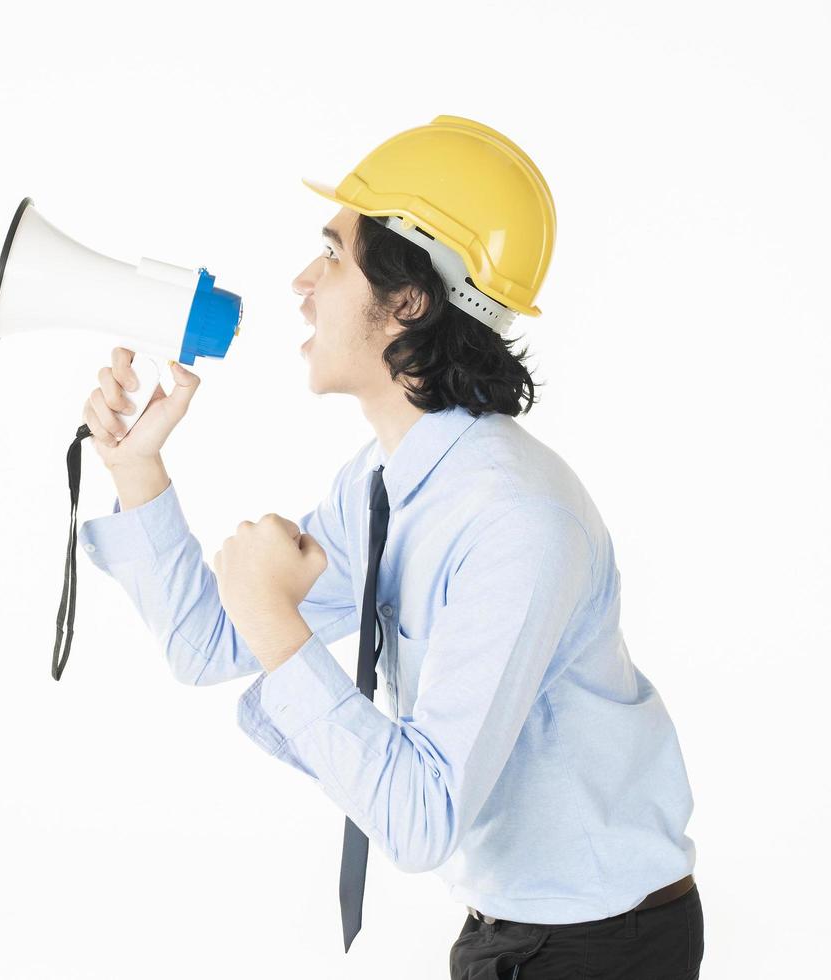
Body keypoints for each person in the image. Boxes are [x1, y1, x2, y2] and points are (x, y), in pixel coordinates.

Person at [76, 117, 703, 979]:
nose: (301, 282)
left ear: (409, 300)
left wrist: (272, 613)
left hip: (599, 947)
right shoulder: (385, 482)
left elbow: (419, 817)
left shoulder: (515, 523)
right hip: (508, 933)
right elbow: (206, 645)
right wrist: (137, 469)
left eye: (331, 254)